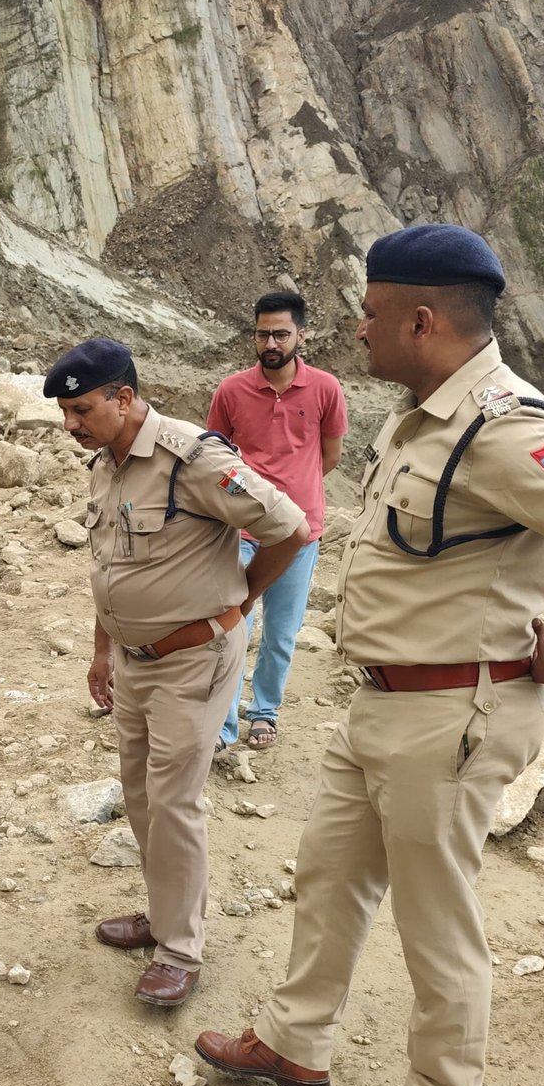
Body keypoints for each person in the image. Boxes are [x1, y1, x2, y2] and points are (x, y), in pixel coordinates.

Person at [195, 225, 544, 1086]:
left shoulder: (507, 429)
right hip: (383, 702)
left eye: (372, 312)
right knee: (329, 876)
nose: (357, 328)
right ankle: (296, 1043)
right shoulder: (418, 416)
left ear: (422, 320)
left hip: (455, 714)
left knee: (436, 920)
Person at [46, 339, 310, 1008]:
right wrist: (102, 650)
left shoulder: (192, 459)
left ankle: (180, 950)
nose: (70, 425)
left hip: (194, 659)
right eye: (65, 413)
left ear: (124, 397)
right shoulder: (107, 463)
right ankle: (164, 913)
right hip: (134, 660)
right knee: (140, 794)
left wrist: (240, 602)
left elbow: (289, 526)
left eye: (81, 410)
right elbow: (110, 564)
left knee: (174, 803)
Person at [208, 291, 347, 751]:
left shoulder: (326, 388)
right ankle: (224, 725)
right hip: (240, 531)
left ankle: (264, 711)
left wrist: (291, 497)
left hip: (299, 534)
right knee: (232, 627)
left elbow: (330, 456)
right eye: (263, 333)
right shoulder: (231, 391)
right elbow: (214, 458)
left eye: (281, 334)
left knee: (281, 633)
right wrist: (245, 503)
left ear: (301, 335)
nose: (271, 343)